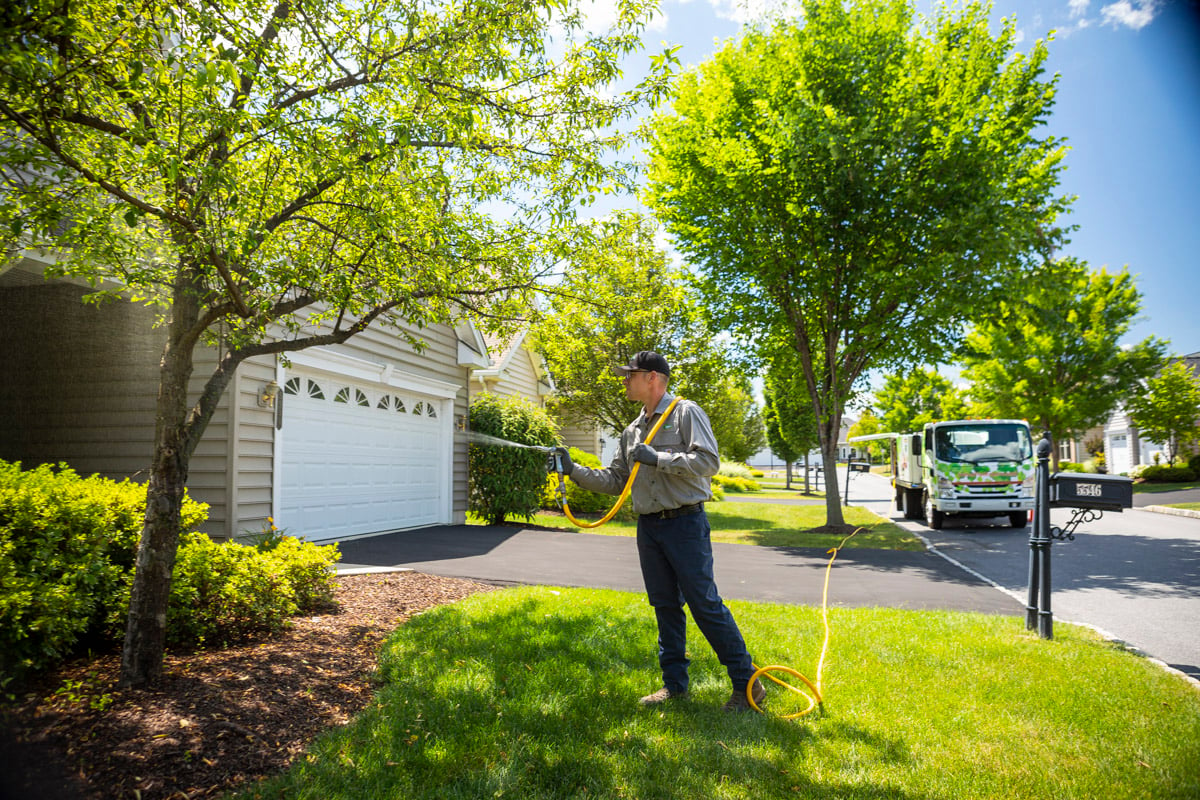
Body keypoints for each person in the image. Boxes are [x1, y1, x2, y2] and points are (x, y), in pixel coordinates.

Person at [551, 351, 765, 712]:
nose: (624, 381)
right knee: (665, 605)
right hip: (649, 528)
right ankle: (674, 686)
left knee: (704, 604)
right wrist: (573, 470)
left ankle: (747, 683)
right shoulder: (631, 431)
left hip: (685, 523)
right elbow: (618, 481)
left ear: (652, 377)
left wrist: (659, 459)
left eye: (629, 375)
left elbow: (708, 462)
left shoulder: (685, 412)